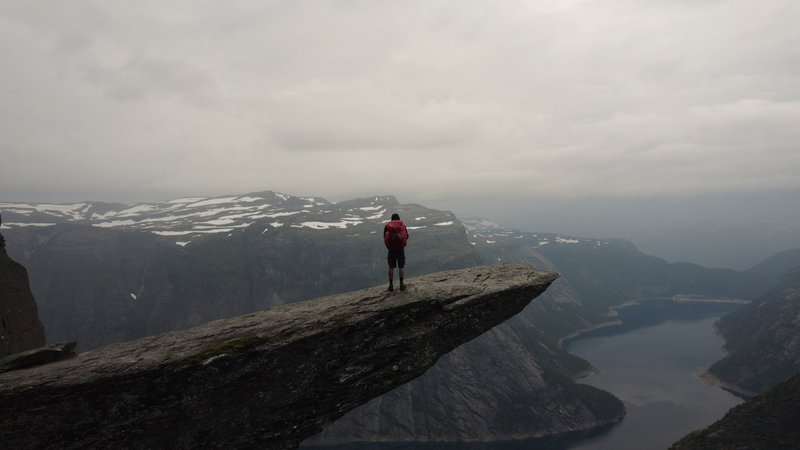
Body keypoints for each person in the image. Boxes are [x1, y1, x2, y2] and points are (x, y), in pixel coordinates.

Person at [383, 213, 409, 291]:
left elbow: (385, 237)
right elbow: (406, 236)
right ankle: (401, 284)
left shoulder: (387, 226)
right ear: (399, 218)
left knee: (391, 267)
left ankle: (391, 285)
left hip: (391, 249)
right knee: (401, 266)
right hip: (400, 249)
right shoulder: (402, 226)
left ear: (391, 219)